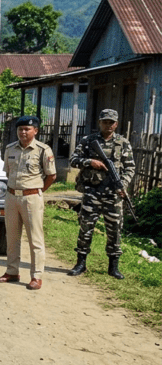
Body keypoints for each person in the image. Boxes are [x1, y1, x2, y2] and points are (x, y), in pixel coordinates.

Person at [67, 108, 136, 279]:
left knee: (115, 230)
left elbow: (130, 168)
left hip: (113, 195)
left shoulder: (123, 143)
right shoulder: (88, 141)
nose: (108, 125)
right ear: (99, 122)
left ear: (116, 124)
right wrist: (90, 162)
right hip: (92, 192)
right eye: (105, 121)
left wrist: (123, 184)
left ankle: (113, 267)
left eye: (111, 122)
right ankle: (80, 263)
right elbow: (73, 160)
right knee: (86, 228)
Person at [0, 116, 56, 290]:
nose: (23, 132)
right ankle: (12, 271)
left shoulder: (43, 150)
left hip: (32, 198)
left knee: (35, 238)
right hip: (12, 196)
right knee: (12, 236)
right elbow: (7, 172)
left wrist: (37, 191)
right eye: (20, 129)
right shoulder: (10, 149)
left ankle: (36, 276)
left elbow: (51, 176)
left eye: (27, 129)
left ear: (35, 131)